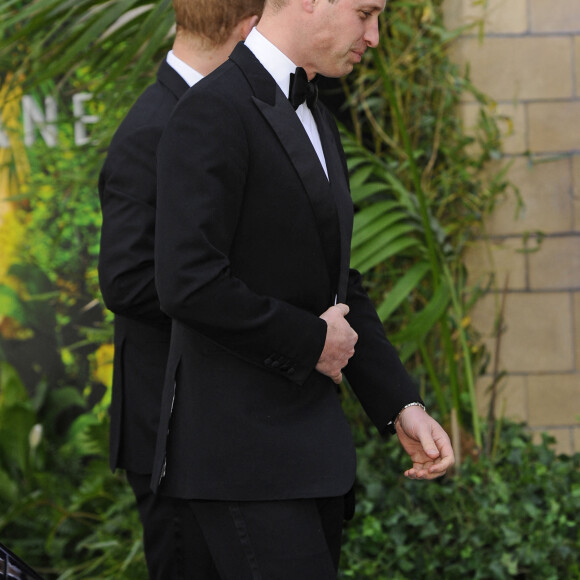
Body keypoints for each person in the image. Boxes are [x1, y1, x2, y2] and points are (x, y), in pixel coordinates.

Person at [152, 0, 455, 577]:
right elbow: (186, 283)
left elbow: (340, 283)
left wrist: (400, 405)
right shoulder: (210, 111)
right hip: (244, 463)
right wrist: (311, 341)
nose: (375, 35)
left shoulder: (318, 115)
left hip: (308, 459)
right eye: (365, 13)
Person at [97, 1, 263, 577]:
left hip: (211, 427)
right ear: (248, 32)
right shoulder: (152, 128)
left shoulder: (210, 114)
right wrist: (240, 300)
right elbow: (125, 280)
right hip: (170, 434)